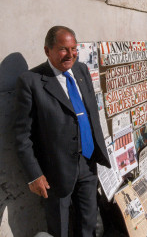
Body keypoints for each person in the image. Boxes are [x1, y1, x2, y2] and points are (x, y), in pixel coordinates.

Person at [15, 26, 111, 237]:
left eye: (73, 48)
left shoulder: (81, 71)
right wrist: (34, 175)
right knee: (60, 228)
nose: (70, 54)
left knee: (88, 224)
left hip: (87, 163)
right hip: (55, 172)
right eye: (63, 49)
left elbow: (90, 113)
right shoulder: (31, 82)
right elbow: (22, 136)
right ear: (47, 50)